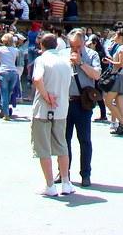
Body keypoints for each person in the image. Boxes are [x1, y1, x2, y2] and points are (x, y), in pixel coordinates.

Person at [32, 33, 75, 197]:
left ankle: (50, 185)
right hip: (62, 108)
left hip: (43, 109)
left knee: (43, 148)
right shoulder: (65, 62)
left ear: (42, 46)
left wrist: (45, 95)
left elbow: (37, 79)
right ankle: (66, 182)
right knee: (62, 146)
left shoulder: (41, 60)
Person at [63, 29, 100, 188]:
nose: (75, 49)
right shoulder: (63, 54)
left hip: (82, 102)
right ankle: (64, 172)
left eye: (78, 46)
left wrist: (81, 63)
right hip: (65, 102)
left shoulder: (92, 55)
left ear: (83, 43)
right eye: (72, 46)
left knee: (84, 140)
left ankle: (86, 174)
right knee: (64, 140)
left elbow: (97, 75)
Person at [102, 29, 123, 134]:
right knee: (119, 103)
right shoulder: (122, 47)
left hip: (119, 77)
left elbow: (120, 64)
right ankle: (121, 125)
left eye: (116, 36)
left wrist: (109, 61)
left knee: (108, 102)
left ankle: (122, 122)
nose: (114, 38)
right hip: (122, 77)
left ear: (121, 37)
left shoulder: (122, 48)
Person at [0, 33, 21, 119]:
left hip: (4, 72)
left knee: (4, 94)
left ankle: (6, 114)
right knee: (9, 93)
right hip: (13, 72)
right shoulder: (16, 50)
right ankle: (6, 110)